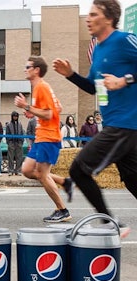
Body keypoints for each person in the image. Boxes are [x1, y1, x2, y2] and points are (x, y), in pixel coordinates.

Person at [53, 0, 136, 237]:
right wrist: (71, 75)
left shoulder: (123, 40)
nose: (88, 18)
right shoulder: (98, 49)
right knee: (131, 179)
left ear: (108, 18)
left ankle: (111, 223)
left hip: (126, 123)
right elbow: (93, 88)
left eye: (93, 14)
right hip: (116, 124)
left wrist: (124, 80)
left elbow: (123, 79)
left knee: (79, 169)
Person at [14, 55, 73, 223]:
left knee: (42, 174)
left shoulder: (41, 87)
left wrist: (26, 106)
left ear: (36, 70)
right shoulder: (40, 88)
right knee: (26, 170)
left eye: (28, 66)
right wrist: (31, 110)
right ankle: (64, 182)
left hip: (48, 136)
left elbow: (48, 113)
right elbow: (58, 108)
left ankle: (62, 210)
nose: (25, 69)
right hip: (41, 136)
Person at [5, 111, 25, 176]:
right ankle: (10, 170)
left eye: (16, 116)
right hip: (11, 143)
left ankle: (18, 170)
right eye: (14, 116)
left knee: (19, 157)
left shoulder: (20, 124)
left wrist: (21, 141)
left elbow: (22, 132)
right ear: (12, 117)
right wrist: (9, 142)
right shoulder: (9, 125)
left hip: (19, 142)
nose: (15, 117)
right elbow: (7, 134)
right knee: (10, 157)